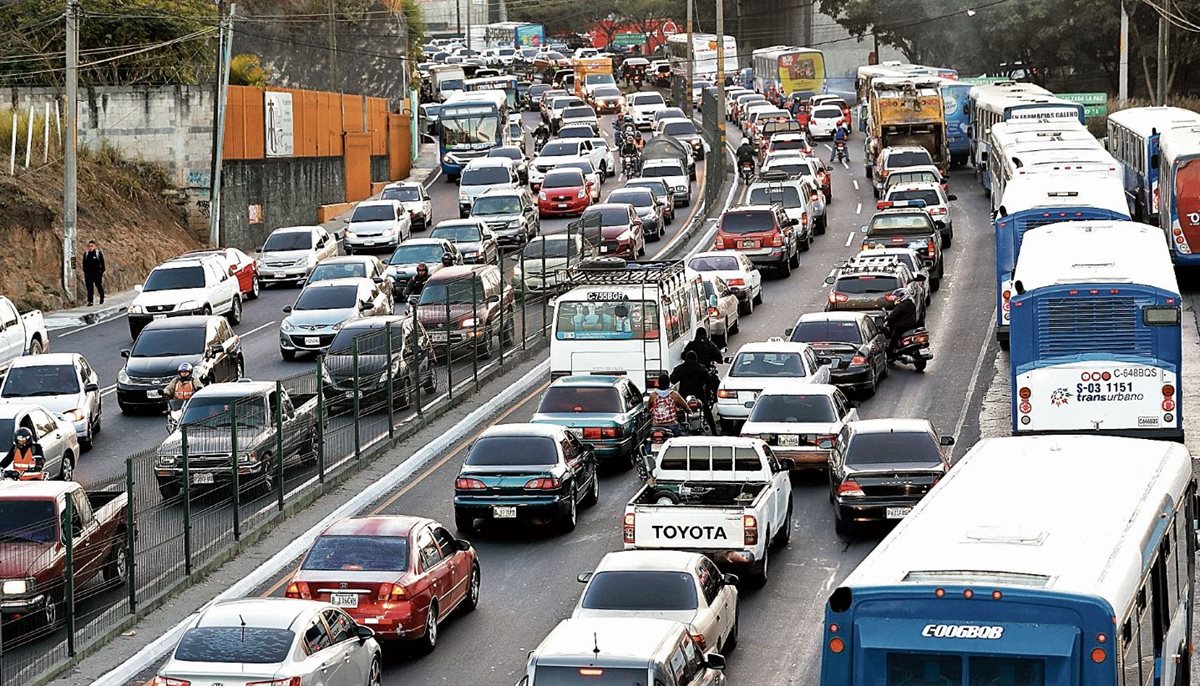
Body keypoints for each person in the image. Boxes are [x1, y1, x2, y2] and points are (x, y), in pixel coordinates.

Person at [670, 351, 719, 433]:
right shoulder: (701, 368)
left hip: (684, 395)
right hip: (699, 395)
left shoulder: (680, 368)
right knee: (707, 412)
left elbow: (672, 379)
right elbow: (709, 380)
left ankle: (676, 431)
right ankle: (714, 432)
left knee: (677, 413)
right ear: (696, 358)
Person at [884, 289, 920, 359]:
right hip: (912, 325)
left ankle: (889, 354)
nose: (896, 299)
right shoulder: (911, 303)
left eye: (897, 297)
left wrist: (887, 318)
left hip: (902, 326)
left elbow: (893, 315)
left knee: (894, 338)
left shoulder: (901, 306)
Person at [82, 239, 106, 306]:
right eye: (89, 246)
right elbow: (83, 263)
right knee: (89, 288)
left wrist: (100, 273)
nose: (90, 247)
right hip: (88, 274)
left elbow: (103, 264)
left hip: (97, 273)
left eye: (92, 246)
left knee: (98, 286)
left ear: (94, 246)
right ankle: (90, 301)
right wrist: (85, 272)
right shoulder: (86, 254)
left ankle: (102, 296)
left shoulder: (98, 254)